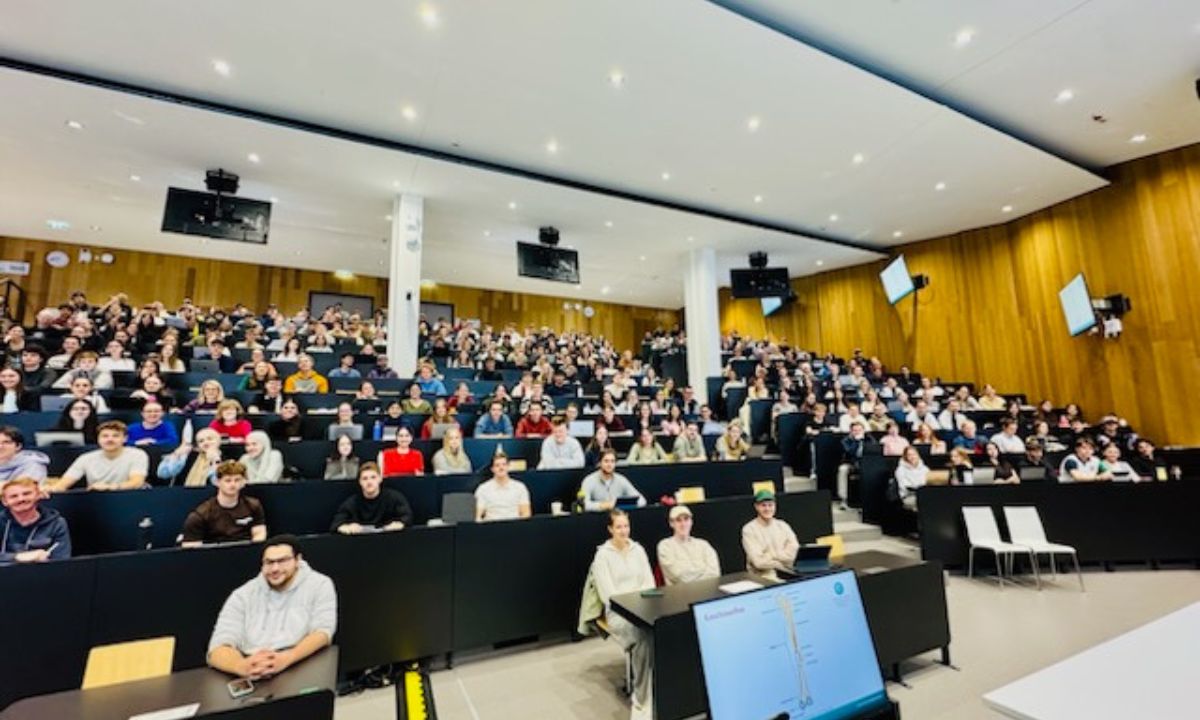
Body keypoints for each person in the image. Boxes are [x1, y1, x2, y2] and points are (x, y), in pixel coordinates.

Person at [207, 535, 337, 679]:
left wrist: (287, 658)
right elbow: (217, 647)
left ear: (298, 560)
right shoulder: (242, 595)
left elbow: (323, 632)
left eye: (282, 561)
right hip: (252, 667)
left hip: (300, 661)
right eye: (269, 562)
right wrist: (242, 666)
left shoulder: (320, 585)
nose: (275, 568)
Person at [589, 509, 655, 717]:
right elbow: (608, 595)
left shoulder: (638, 550)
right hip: (619, 615)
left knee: (663, 629)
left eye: (626, 526)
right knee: (644, 637)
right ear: (610, 529)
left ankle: (660, 689)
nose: (624, 531)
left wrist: (640, 603)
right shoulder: (602, 556)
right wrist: (633, 602)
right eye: (619, 527)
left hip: (643, 609)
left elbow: (649, 583)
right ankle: (642, 699)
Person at [181, 461, 268, 546]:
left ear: (244, 482)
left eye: (237, 480)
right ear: (217, 482)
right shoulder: (201, 515)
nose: (233, 484)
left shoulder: (253, 505)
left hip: (246, 551)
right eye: (227, 480)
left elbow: (259, 534)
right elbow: (191, 548)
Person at [50, 421, 148, 491]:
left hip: (129, 497)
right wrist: (48, 489)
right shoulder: (86, 458)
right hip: (98, 500)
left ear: (125, 439)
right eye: (105, 436)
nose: (110, 439)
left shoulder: (137, 455)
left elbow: (137, 482)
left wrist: (109, 487)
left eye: (116, 436)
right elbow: (63, 484)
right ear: (98, 439)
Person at [0, 478, 72, 564]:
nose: (21, 499)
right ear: (4, 501)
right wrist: (17, 557)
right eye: (14, 496)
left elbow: (62, 559)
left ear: (38, 495)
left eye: (26, 494)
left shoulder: (57, 523)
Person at [330, 462, 412, 533]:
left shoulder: (394, 498)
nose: (369, 482)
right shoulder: (352, 503)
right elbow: (335, 525)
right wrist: (346, 528)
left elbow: (407, 517)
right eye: (365, 479)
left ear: (380, 479)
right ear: (360, 482)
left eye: (373, 477)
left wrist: (400, 524)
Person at [741, 489, 799, 581]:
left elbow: (792, 556)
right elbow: (758, 563)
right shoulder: (749, 529)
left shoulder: (783, 525)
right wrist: (780, 560)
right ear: (756, 507)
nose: (767, 509)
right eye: (763, 505)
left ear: (775, 506)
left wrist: (770, 555)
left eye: (770, 505)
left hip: (787, 573)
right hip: (761, 577)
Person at [655, 505, 719, 585]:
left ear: (691, 522)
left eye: (686, 519)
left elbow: (714, 573)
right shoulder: (665, 546)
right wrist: (702, 570)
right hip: (680, 592)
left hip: (708, 590)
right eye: (678, 520)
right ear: (671, 523)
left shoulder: (704, 545)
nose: (683, 524)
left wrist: (690, 573)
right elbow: (679, 576)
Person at [580, 449, 645, 511]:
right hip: (597, 516)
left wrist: (622, 504)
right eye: (606, 461)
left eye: (612, 461)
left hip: (618, 515)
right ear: (600, 463)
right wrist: (603, 505)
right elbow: (584, 505)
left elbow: (642, 501)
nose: (609, 464)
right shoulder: (589, 481)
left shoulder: (621, 479)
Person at [474, 454, 532, 521]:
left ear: (508, 466)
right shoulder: (483, 489)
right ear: (492, 469)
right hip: (491, 524)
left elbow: (526, 514)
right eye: (497, 465)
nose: (501, 468)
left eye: (504, 464)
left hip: (514, 524)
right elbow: (478, 516)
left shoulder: (520, 487)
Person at [893, 446, 929, 510]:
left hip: (924, 494)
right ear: (906, 457)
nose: (912, 457)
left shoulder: (925, 468)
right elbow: (904, 486)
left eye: (914, 454)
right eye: (909, 455)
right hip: (908, 496)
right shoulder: (900, 470)